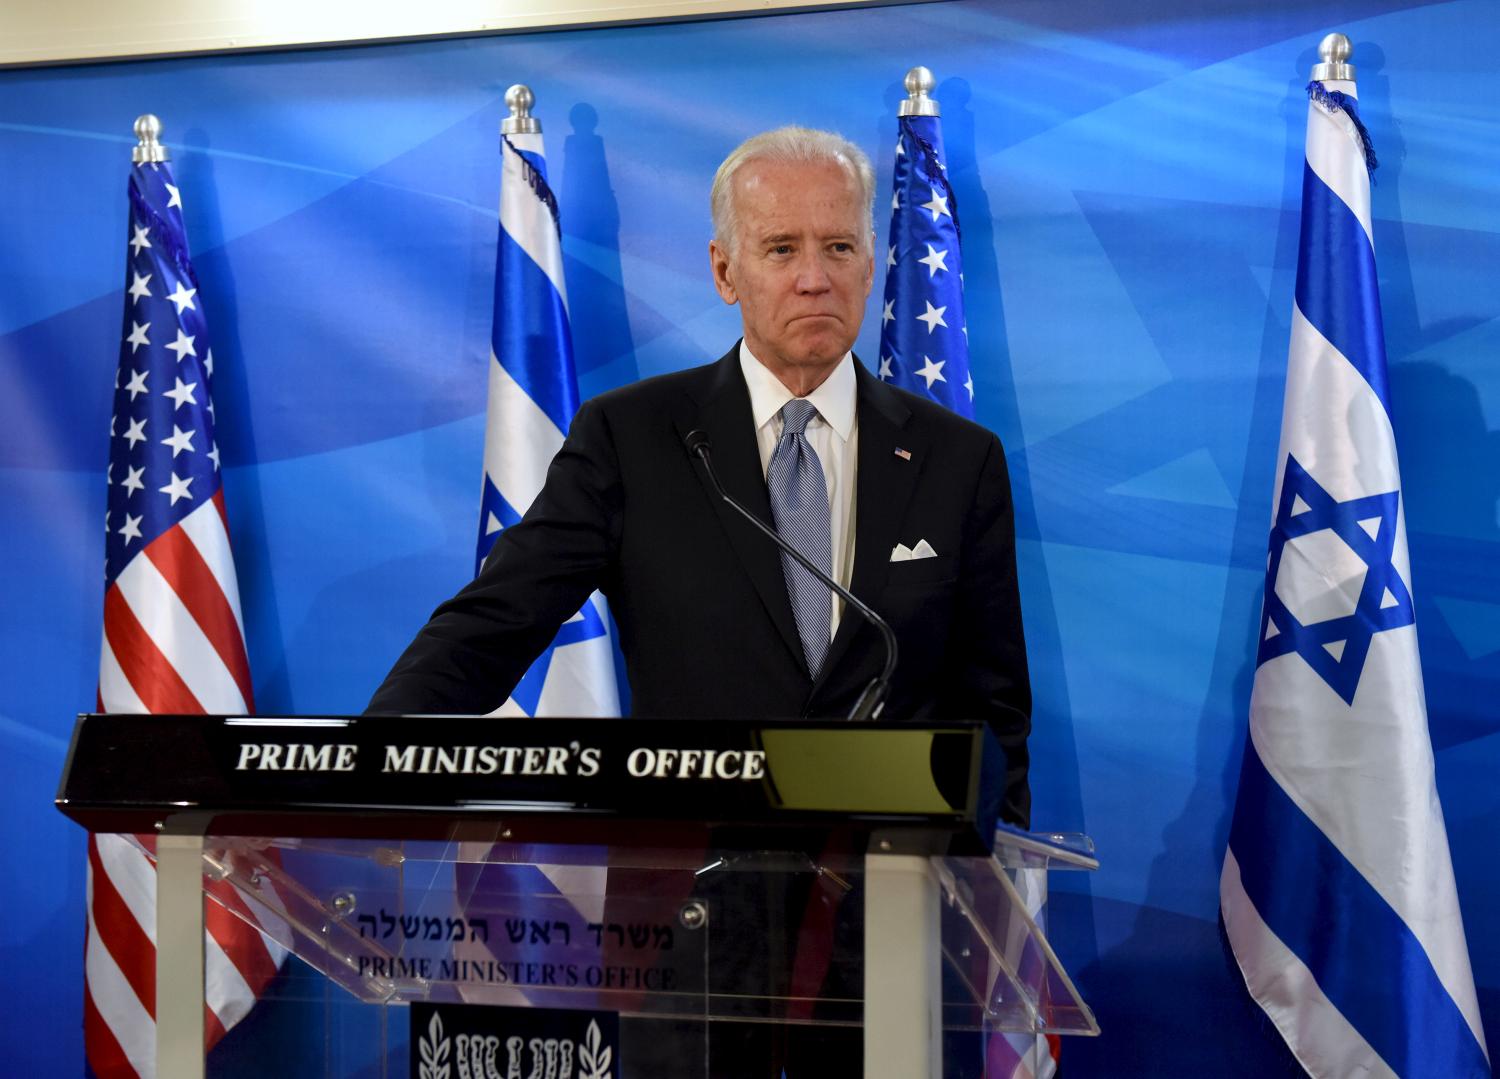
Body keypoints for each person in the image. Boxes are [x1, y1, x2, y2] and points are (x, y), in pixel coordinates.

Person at [368, 125, 1031, 827]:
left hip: (897, 900)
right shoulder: (632, 438)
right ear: (725, 272)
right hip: (689, 893)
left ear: (870, 266)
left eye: (839, 246)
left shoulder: (958, 460)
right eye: (782, 249)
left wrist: (992, 889)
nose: (816, 277)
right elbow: (491, 626)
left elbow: (995, 715)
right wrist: (366, 765)